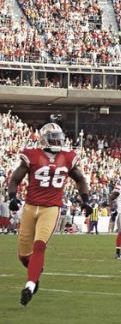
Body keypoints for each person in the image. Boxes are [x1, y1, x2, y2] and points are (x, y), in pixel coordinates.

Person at [7, 122, 93, 306]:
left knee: (40, 245)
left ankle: (30, 285)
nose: (57, 141)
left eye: (59, 138)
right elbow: (15, 178)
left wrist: (85, 200)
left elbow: (80, 180)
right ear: (45, 139)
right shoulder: (32, 155)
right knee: (23, 255)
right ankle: (35, 272)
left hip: (51, 208)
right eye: (54, 138)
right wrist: (12, 196)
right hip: (30, 207)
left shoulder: (68, 157)